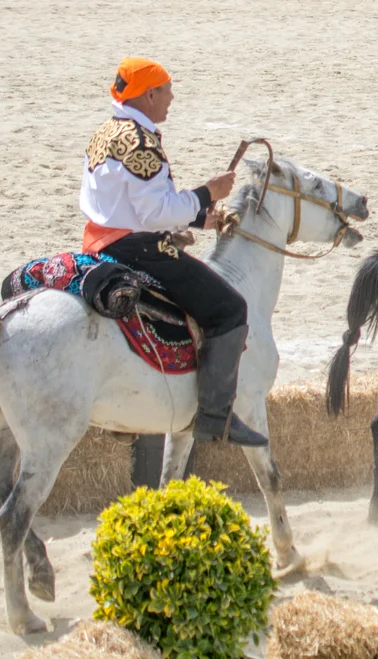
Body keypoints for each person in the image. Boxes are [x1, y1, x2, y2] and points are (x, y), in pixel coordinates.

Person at [79, 57, 265, 446]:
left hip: (100, 243)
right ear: (148, 94)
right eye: (166, 90)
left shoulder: (106, 132)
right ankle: (217, 419)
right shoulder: (142, 142)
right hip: (140, 250)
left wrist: (201, 218)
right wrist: (206, 194)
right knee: (230, 309)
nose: (171, 97)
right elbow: (155, 212)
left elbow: (135, 206)